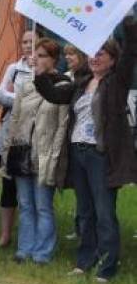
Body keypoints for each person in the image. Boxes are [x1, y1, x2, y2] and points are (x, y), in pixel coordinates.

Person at [34, 16, 137, 282]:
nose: (95, 57)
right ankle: (84, 261)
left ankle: (107, 265)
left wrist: (128, 24)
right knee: (86, 211)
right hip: (78, 154)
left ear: (113, 59)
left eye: (101, 53)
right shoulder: (81, 83)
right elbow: (56, 96)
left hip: (101, 156)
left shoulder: (116, 82)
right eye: (92, 52)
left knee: (104, 213)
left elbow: (130, 53)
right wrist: (40, 76)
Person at [3, 38, 70, 264]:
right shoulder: (26, 86)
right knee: (25, 204)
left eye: (43, 56)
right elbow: (16, 119)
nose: (37, 59)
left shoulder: (62, 85)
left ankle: (42, 253)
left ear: (53, 59)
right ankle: (24, 249)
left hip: (44, 153)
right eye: (36, 55)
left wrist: (54, 157)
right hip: (22, 150)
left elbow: (61, 125)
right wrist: (7, 151)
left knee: (43, 206)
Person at [0, 30, 36, 247]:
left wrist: (16, 98)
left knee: (31, 189)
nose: (28, 46)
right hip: (11, 133)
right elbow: (1, 95)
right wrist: (27, 99)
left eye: (32, 42)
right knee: (8, 186)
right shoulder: (14, 69)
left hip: (34, 135)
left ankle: (30, 236)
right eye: (25, 42)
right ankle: (5, 233)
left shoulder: (44, 70)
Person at [63, 43, 89, 241]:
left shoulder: (84, 79)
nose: (68, 58)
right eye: (66, 54)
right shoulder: (67, 76)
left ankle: (86, 230)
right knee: (80, 190)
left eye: (72, 54)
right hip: (71, 137)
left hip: (86, 138)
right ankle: (80, 227)